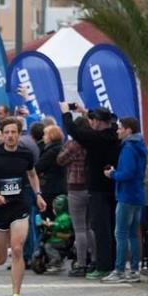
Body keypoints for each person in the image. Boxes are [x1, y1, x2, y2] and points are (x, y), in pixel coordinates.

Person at [0, 118, 46, 296]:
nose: (10, 136)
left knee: (17, 248)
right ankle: (2, 253)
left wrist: (38, 194)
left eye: (13, 132)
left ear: (19, 134)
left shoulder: (26, 154)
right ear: (2, 135)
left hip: (19, 207)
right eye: (7, 132)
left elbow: (32, 174)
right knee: (0, 259)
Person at [61, 104, 120, 280]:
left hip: (97, 189)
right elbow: (108, 122)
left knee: (100, 229)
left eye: (93, 120)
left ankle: (103, 267)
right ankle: (114, 264)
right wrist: (84, 111)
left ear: (98, 122)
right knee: (112, 228)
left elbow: (74, 131)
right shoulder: (114, 134)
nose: (91, 123)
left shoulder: (96, 138)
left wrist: (66, 113)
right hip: (113, 188)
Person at [103, 117, 147, 283]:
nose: (117, 130)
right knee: (133, 234)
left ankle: (120, 270)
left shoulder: (128, 147)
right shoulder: (140, 145)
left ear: (128, 130)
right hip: (138, 195)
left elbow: (127, 173)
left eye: (120, 128)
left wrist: (112, 174)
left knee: (120, 233)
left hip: (126, 195)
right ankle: (134, 270)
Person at [56, 117, 95, 276]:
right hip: (91, 187)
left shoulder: (73, 145)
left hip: (75, 188)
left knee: (79, 229)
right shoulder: (92, 142)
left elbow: (60, 160)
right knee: (89, 227)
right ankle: (95, 260)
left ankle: (81, 263)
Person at [35, 125, 66, 219]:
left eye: (45, 134)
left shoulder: (51, 151)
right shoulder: (63, 147)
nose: (43, 137)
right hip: (62, 186)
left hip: (51, 188)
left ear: (51, 136)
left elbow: (38, 167)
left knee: (49, 215)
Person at [41, 195, 73, 274]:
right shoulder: (59, 216)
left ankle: (56, 261)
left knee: (48, 246)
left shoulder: (65, 216)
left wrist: (53, 224)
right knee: (47, 242)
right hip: (56, 238)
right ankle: (54, 261)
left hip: (62, 239)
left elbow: (64, 226)